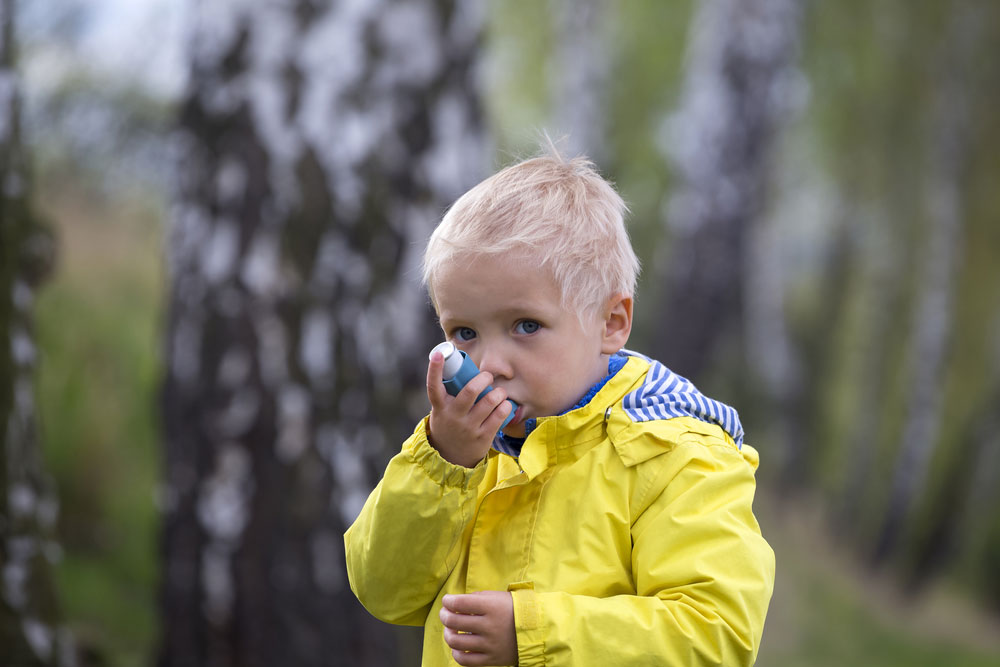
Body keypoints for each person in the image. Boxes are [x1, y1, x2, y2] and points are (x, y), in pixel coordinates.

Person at [344, 145, 775, 666]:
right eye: (465, 333)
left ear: (611, 323)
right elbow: (383, 589)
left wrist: (534, 636)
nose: (489, 363)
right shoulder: (461, 453)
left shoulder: (674, 454)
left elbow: (715, 637)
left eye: (526, 326)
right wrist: (443, 464)